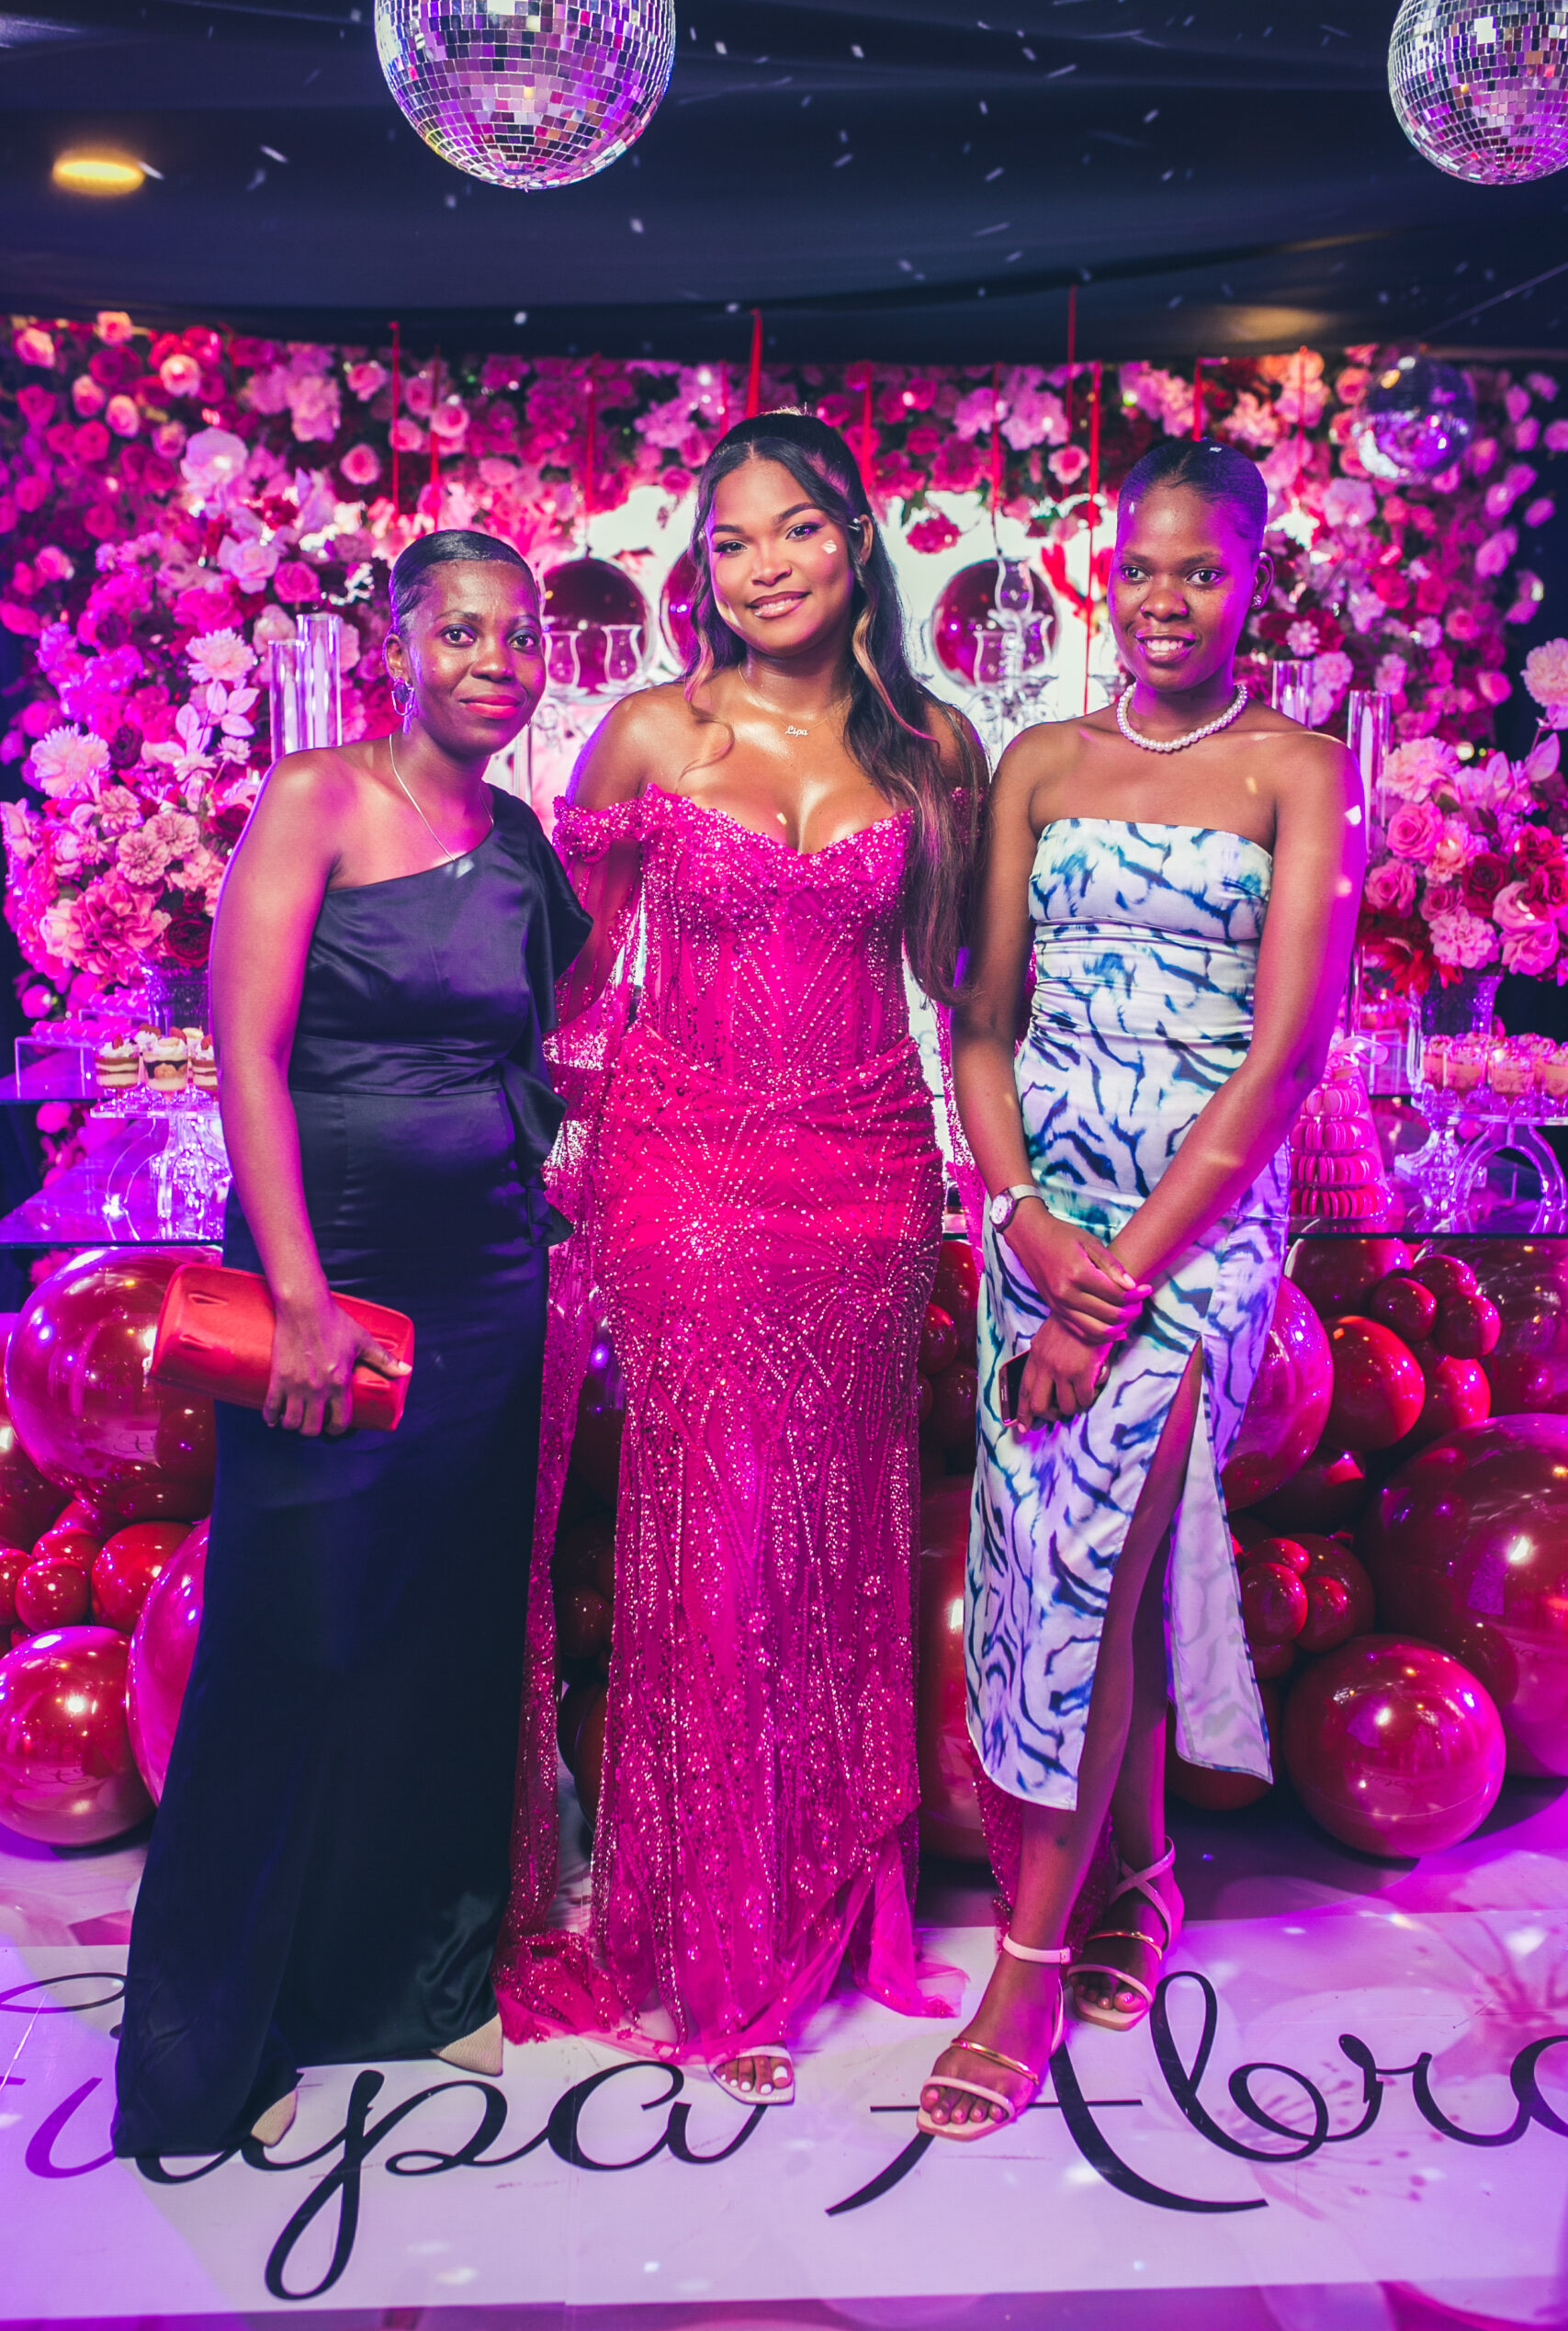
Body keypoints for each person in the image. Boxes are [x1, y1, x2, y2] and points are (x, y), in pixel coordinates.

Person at [494, 413, 984, 2102]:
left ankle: (828, 1906)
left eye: (796, 529)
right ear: (699, 569)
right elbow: (558, 980)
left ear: (856, 540)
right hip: (683, 1170)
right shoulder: (652, 732)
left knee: (839, 1546)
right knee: (713, 1543)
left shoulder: (933, 747)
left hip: (869, 1174)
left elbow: (965, 991)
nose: (764, 565)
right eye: (730, 540)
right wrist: (522, 1141)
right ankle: (711, 1942)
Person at [113, 529, 589, 2158]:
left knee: (442, 1636)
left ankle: (406, 1985)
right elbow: (243, 1055)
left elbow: (554, 1028)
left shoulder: (518, 841)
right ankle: (208, 2046)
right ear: (401, 648)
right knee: (290, 1636)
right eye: (462, 631)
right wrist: (302, 1289)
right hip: (333, 1276)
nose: (495, 661)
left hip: (490, 1286)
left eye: (521, 636)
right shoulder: (315, 798)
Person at [919, 437, 1365, 2139]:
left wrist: (1110, 1283)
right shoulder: (1042, 760)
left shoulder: (1299, 768)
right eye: (1143, 568)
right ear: (1107, 577)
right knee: (1056, 1560)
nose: (1166, 599)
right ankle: (1143, 1875)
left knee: (1097, 1559)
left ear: (1251, 582)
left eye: (1203, 570)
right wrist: (1025, 1218)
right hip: (1040, 1217)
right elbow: (979, 1020)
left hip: (1199, 1230)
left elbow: (1288, 1056)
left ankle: (1026, 1966)